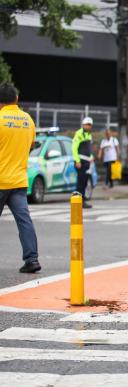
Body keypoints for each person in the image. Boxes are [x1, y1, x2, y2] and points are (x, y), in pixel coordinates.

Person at [0, 83, 41, 274]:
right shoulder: (28, 120)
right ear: (16, 99)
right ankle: (32, 259)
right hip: (19, 180)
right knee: (24, 221)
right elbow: (31, 146)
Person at [72, 117, 94, 208]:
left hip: (87, 162)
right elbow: (74, 148)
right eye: (86, 125)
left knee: (85, 182)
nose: (88, 126)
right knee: (80, 182)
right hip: (80, 162)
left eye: (89, 125)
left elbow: (89, 148)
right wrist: (77, 161)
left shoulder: (89, 135)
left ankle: (82, 200)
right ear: (83, 125)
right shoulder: (79, 133)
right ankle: (78, 201)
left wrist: (91, 156)